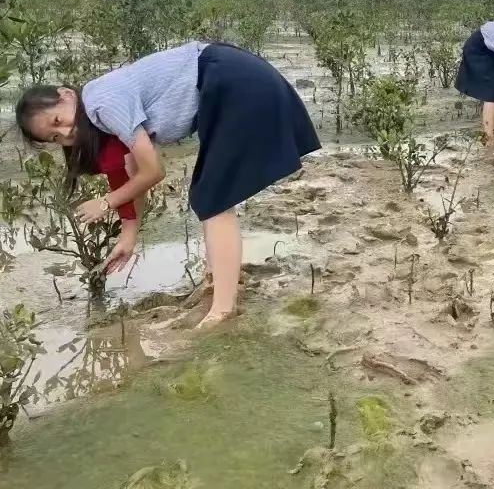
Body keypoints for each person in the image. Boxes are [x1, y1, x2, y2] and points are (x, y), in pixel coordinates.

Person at [16, 41, 321, 328]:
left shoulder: (100, 103)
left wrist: (106, 202)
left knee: (212, 197)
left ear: (67, 95)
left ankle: (223, 310)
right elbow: (133, 170)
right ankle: (220, 283)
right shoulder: (99, 117)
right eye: (56, 138)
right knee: (210, 195)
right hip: (224, 79)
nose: (67, 133)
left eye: (58, 121)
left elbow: (153, 171)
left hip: (228, 80)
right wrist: (129, 236)